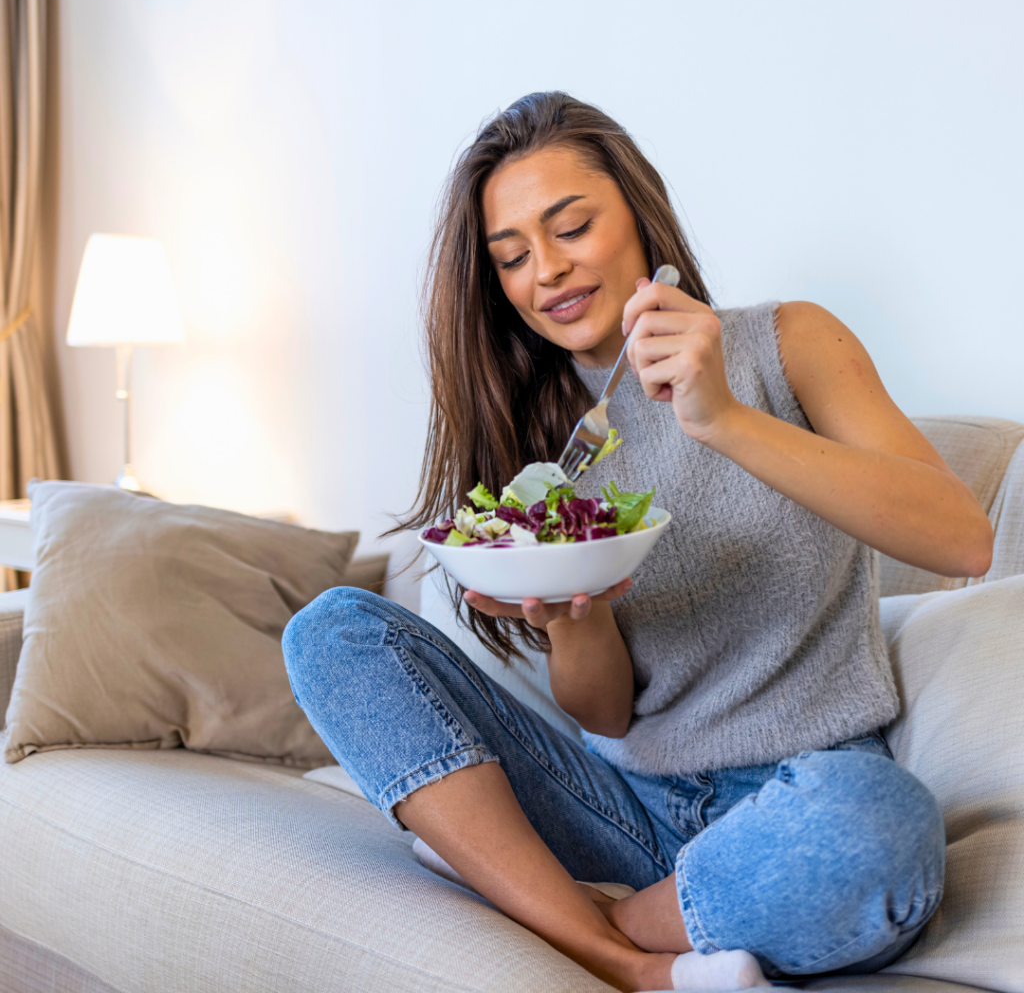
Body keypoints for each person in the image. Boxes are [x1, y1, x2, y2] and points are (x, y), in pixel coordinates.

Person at [283, 93, 993, 992]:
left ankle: (574, 918)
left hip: (799, 806)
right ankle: (628, 962)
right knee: (332, 631)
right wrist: (568, 617)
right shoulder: (542, 438)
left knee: (882, 826)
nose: (547, 270)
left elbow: (961, 539)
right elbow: (606, 716)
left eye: (571, 227)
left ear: (636, 210)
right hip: (620, 809)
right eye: (512, 257)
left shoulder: (788, 344)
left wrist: (722, 417)